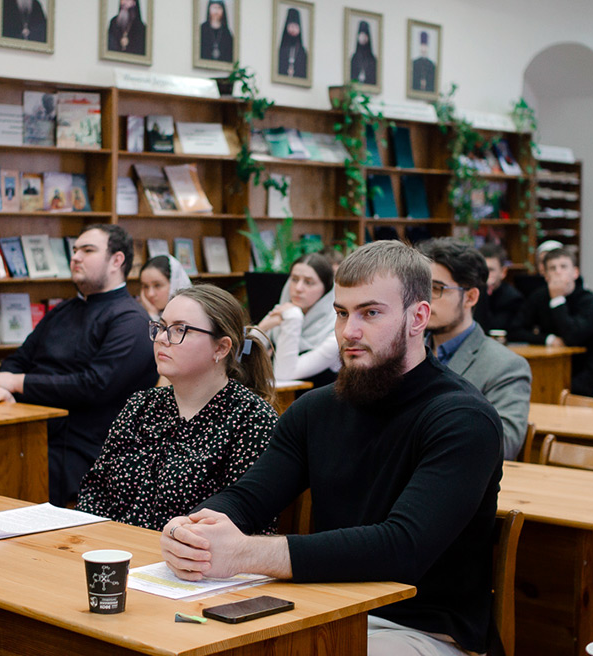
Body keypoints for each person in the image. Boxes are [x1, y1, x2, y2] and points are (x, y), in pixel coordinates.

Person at [161, 240, 502, 655]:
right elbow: (249, 497)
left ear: (419, 317)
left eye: (370, 313)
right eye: (341, 313)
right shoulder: (317, 408)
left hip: (422, 629)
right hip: (323, 607)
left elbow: (402, 549)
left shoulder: (463, 418)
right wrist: (194, 530)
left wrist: (243, 553)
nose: (348, 331)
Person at [0, 224, 158, 504]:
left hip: (87, 448)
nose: (75, 257)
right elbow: (19, 359)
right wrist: (4, 388)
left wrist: (16, 383)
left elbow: (94, 385)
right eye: (74, 250)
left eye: (88, 250)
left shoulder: (131, 321)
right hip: (31, 428)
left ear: (116, 261)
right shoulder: (63, 310)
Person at [76, 285, 277, 530]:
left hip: (195, 561)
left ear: (221, 348)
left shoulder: (251, 419)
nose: (161, 338)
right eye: (160, 327)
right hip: (118, 552)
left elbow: (246, 522)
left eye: (179, 330)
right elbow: (95, 490)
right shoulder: (140, 405)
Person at [419, 238, 531, 460]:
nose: (425, 299)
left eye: (437, 288)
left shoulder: (506, 366)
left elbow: (504, 445)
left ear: (470, 297)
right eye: (421, 288)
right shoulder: (406, 352)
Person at [510, 247, 593, 396]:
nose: (558, 272)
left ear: (575, 272)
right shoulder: (539, 297)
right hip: (549, 372)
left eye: (563, 267)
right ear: (546, 275)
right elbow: (514, 330)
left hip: (585, 375)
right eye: (552, 268)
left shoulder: (589, 300)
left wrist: (557, 300)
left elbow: (572, 336)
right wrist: (548, 339)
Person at [257, 253, 339, 386]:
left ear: (326, 290)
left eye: (308, 282)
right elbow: (242, 363)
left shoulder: (334, 331)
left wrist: (294, 318)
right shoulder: (283, 312)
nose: (298, 288)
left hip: (317, 404)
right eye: (294, 279)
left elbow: (284, 374)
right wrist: (261, 328)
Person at [478, 242, 524, 332]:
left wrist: (484, 292)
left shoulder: (512, 298)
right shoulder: (471, 293)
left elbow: (492, 328)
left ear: (503, 272)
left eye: (491, 270)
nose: (485, 275)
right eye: (482, 270)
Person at [138, 254, 192, 321]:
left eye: (157, 285)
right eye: (145, 286)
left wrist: (153, 317)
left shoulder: (190, 316)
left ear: (174, 284)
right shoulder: (137, 314)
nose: (150, 294)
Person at [277, 7, 307, 79]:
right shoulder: (281, 50)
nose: (293, 30)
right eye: (291, 26)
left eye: (296, 27)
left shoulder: (302, 52)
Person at [350, 19, 377, 85]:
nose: (363, 38)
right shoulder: (354, 58)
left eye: (365, 35)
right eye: (361, 35)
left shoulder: (372, 59)